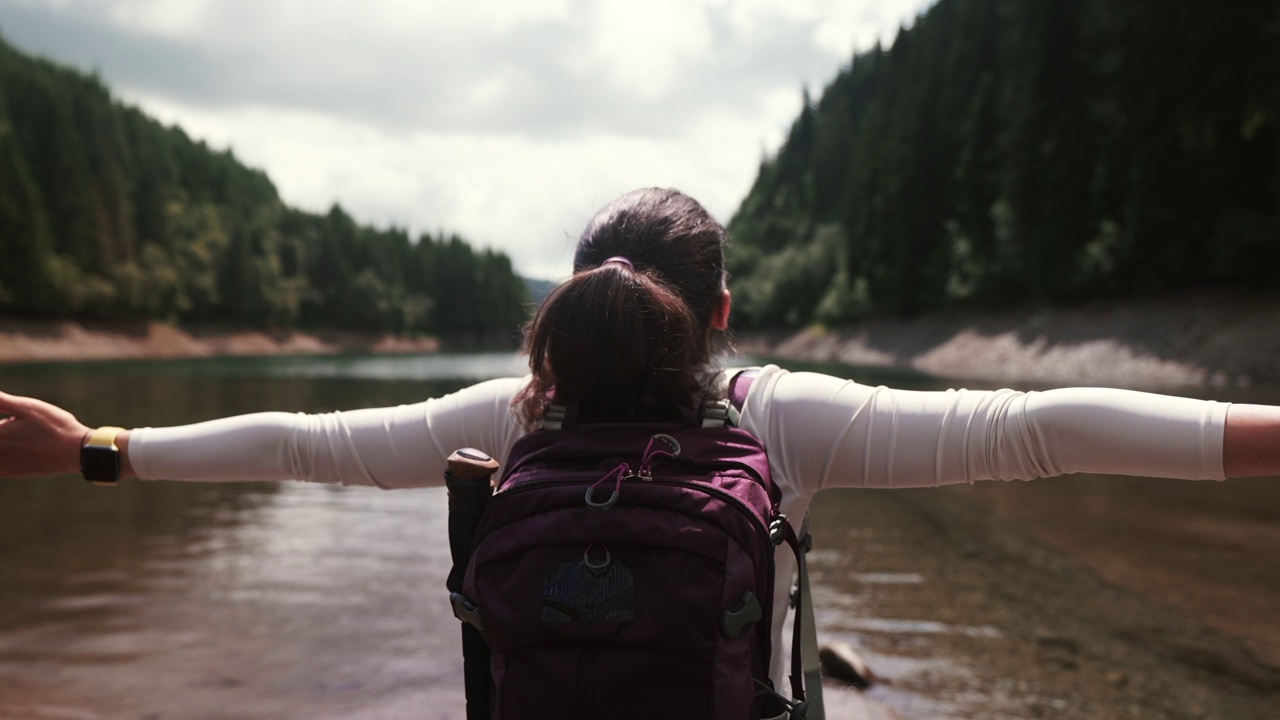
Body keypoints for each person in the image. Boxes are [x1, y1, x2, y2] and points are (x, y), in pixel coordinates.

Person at [1, 186, 1279, 692]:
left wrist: (100, 448)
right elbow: (1036, 432)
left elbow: (305, 443)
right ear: (718, 313)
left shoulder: (512, 418)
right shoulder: (774, 417)